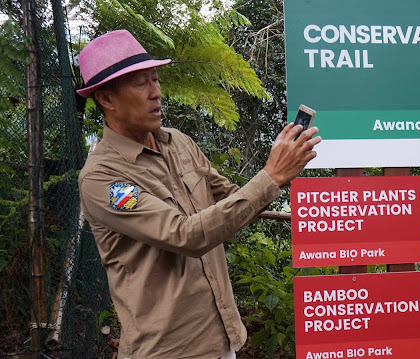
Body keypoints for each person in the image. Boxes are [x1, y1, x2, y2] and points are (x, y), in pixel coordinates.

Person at [76, 30, 321, 359]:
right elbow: (184, 235)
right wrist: (271, 176)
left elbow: (232, 198)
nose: (156, 93)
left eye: (156, 79)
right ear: (106, 99)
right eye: (141, 84)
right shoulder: (103, 180)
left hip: (223, 337)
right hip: (170, 350)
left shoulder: (179, 143)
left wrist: (283, 169)